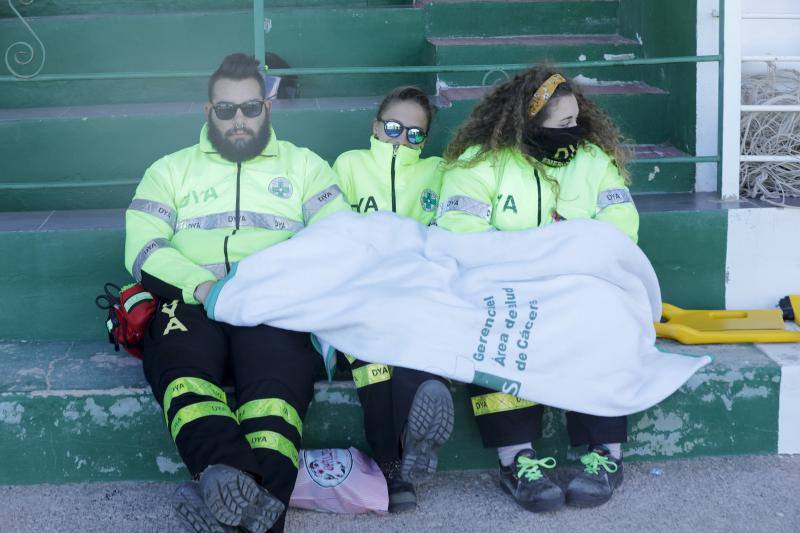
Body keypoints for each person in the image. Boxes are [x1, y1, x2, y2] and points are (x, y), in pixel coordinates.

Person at [124, 53, 350, 532]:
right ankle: (249, 498)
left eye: (250, 107)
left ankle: (230, 501)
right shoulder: (170, 169)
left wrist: (273, 286)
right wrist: (203, 286)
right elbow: (143, 246)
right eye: (226, 110)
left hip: (273, 303)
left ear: (268, 108)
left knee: (276, 394)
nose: (239, 119)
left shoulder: (307, 167)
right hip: (192, 298)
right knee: (182, 371)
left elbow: (338, 240)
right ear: (208, 113)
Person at [435, 67, 639, 512]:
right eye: (562, 125)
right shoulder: (480, 162)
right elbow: (461, 233)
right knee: (492, 321)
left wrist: (565, 260)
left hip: (579, 284)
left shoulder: (592, 159)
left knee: (604, 312)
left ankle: (605, 454)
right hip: (508, 288)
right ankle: (517, 461)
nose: (575, 132)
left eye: (577, 121)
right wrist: (539, 256)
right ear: (527, 124)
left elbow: (622, 225)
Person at [332, 86, 454, 513]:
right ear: (375, 126)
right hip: (359, 296)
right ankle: (394, 460)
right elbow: (336, 232)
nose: (402, 139)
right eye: (393, 128)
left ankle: (401, 460)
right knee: (373, 363)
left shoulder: (438, 171)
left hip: (416, 293)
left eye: (415, 134)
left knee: (411, 351)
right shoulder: (349, 165)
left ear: (426, 140)